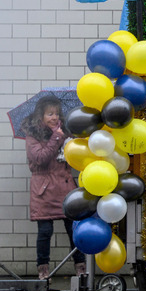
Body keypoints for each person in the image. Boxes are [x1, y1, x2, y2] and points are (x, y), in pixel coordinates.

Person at [24, 95, 87, 280]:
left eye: (57, 113)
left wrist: (72, 141)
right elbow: (39, 159)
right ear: (40, 116)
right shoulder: (33, 136)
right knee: (45, 232)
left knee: (73, 229)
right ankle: (43, 270)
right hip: (43, 191)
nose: (54, 117)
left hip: (66, 188)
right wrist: (57, 137)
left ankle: (81, 267)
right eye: (49, 114)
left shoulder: (65, 132)